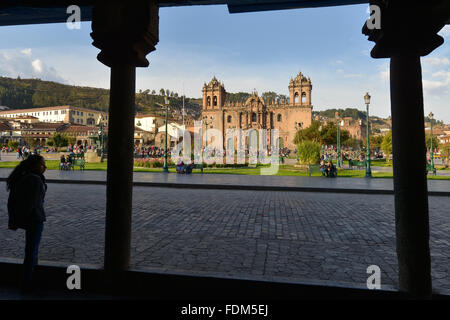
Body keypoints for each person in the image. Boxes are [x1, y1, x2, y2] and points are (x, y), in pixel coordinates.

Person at [6, 154, 47, 294]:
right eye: (42, 164)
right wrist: (25, 218)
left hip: (28, 218)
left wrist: (14, 220)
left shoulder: (22, 177)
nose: (45, 167)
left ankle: (28, 282)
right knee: (31, 252)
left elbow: (11, 201)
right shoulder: (34, 179)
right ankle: (27, 284)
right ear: (35, 165)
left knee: (31, 251)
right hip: (34, 218)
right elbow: (33, 203)